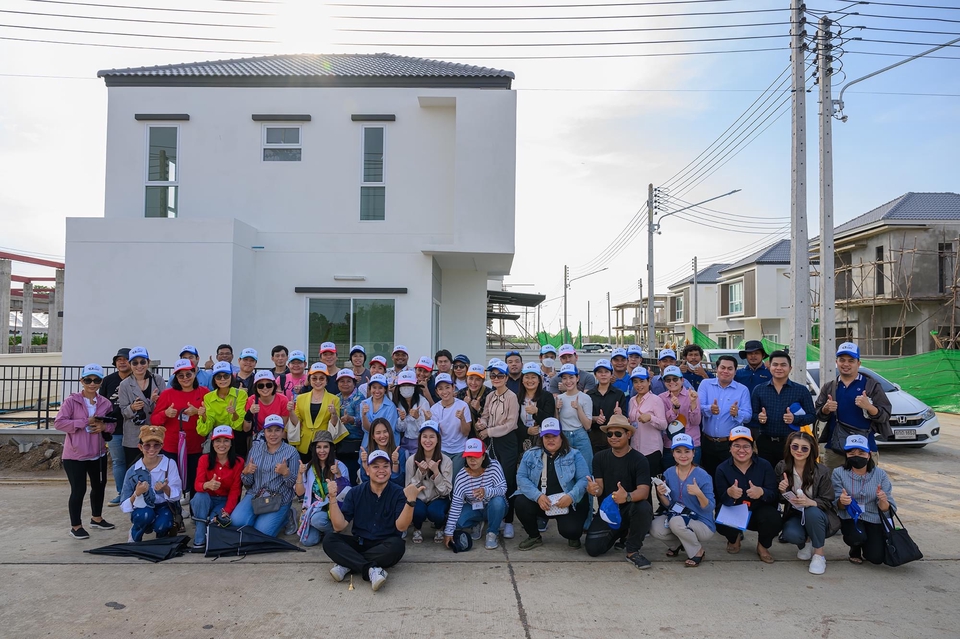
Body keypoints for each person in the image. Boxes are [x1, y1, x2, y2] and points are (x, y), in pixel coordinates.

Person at [323, 450, 424, 591]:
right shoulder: (355, 492)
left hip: (385, 545)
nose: (381, 470)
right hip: (360, 542)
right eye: (376, 466)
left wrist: (411, 501)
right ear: (367, 470)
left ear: (390, 469)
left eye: (385, 466)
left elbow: (401, 527)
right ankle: (371, 569)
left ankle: (348, 563)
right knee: (329, 540)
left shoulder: (399, 493)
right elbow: (339, 526)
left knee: (397, 546)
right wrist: (332, 498)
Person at [583, 415, 654, 569]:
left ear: (628, 434)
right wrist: (593, 489)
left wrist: (627, 497)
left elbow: (644, 492)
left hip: (630, 508)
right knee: (593, 549)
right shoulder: (599, 458)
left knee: (643, 507)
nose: (613, 437)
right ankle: (622, 532)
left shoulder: (640, 460)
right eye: (609, 434)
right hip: (608, 512)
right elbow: (599, 488)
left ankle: (632, 550)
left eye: (618, 433)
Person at [55, 364, 117, 539]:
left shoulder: (105, 403)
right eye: (88, 380)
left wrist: (104, 427)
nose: (92, 383)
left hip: (98, 453)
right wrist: (84, 422)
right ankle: (76, 526)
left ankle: (97, 518)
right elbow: (59, 423)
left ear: (101, 382)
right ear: (81, 380)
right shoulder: (71, 401)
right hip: (75, 455)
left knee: (99, 486)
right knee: (78, 490)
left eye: (96, 380)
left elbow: (112, 424)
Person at [514, 418, 590, 550]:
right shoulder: (530, 454)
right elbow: (521, 477)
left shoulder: (574, 455)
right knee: (520, 502)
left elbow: (584, 479)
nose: (551, 440)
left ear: (561, 436)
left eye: (554, 436)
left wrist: (571, 496)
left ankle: (573, 536)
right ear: (541, 438)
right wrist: (537, 496)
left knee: (571, 531)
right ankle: (534, 536)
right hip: (542, 502)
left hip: (567, 502)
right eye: (547, 437)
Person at [815, 342, 893, 469]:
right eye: (842, 360)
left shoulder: (871, 386)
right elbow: (818, 414)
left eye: (851, 360)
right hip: (835, 451)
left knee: (865, 482)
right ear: (836, 362)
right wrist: (826, 409)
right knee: (832, 482)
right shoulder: (829, 387)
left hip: (865, 450)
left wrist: (869, 407)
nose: (846, 364)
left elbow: (885, 415)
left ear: (859, 363)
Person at [774, 431, 840, 575]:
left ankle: (819, 554)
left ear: (811, 450)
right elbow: (779, 500)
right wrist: (782, 490)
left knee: (811, 511)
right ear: (789, 447)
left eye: (804, 448)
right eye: (795, 446)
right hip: (795, 513)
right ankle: (805, 543)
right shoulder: (782, 467)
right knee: (791, 534)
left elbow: (828, 501)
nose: (799, 451)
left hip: (819, 514)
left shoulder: (822, 471)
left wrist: (810, 502)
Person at [713, 426, 781, 564]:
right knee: (721, 519)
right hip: (735, 510)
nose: (741, 450)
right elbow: (720, 499)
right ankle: (734, 538)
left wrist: (762, 492)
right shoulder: (722, 469)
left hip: (758, 510)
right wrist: (729, 494)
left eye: (746, 446)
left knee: (773, 518)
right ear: (730, 448)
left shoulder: (764, 465)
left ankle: (762, 546)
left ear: (753, 447)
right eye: (736, 446)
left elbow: (774, 494)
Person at [651, 433, 715, 567]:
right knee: (654, 527)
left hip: (701, 522)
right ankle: (678, 544)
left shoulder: (703, 475)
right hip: (677, 516)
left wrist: (699, 494)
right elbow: (668, 504)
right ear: (673, 453)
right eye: (678, 451)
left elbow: (709, 507)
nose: (683, 455)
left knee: (676, 522)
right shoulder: (668, 473)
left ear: (693, 453)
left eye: (687, 451)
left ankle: (697, 551)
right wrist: (661, 494)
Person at [832, 434, 897, 565]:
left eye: (861, 453)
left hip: (873, 517)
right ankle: (855, 549)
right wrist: (842, 501)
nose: (856, 456)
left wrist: (883, 500)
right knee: (856, 537)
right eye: (851, 453)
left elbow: (888, 510)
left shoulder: (880, 474)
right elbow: (836, 504)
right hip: (851, 516)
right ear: (846, 455)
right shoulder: (838, 473)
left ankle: (869, 545)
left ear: (869, 454)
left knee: (876, 558)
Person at [232, 414, 301, 536]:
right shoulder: (255, 449)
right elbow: (248, 482)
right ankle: (263, 517)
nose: (273, 434)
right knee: (237, 522)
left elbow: (294, 485)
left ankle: (287, 515)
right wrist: (246, 472)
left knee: (262, 532)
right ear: (264, 432)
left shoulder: (291, 452)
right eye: (269, 430)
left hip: (279, 497)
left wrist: (286, 473)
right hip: (256, 494)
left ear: (283, 431)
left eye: (277, 430)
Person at [150, 358, 206, 499]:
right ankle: (174, 508)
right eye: (181, 376)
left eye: (188, 374)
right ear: (176, 377)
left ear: (194, 373)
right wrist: (165, 413)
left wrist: (198, 412)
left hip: (196, 446)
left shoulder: (204, 392)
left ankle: (194, 507)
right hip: (172, 447)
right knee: (172, 481)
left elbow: (211, 417)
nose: (185, 378)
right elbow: (154, 420)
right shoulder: (167, 394)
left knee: (195, 480)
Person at [477, 359, 520, 540]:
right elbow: (485, 415)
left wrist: (488, 431)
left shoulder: (512, 397)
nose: (496, 378)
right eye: (493, 375)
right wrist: (482, 423)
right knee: (492, 479)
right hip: (492, 441)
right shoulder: (490, 396)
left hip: (507, 441)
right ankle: (498, 516)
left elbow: (510, 424)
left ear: (506, 377)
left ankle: (509, 520)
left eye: (499, 375)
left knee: (508, 479)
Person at [750, 350, 816, 469]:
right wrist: (759, 417)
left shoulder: (801, 390)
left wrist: (795, 419)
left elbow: (812, 416)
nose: (779, 368)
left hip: (791, 443)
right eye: (775, 364)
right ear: (769, 367)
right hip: (765, 442)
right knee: (767, 474)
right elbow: (752, 415)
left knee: (788, 474)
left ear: (790, 368)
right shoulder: (759, 389)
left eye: (783, 365)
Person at [119, 425, 182, 542]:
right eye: (147, 445)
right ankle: (135, 536)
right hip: (142, 507)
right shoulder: (133, 471)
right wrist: (136, 494)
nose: (151, 449)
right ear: (140, 447)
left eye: (156, 445)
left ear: (161, 446)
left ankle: (162, 539)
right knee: (144, 515)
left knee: (163, 524)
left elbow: (177, 494)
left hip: (164, 505)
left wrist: (166, 488)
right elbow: (123, 504)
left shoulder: (169, 464)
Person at [444, 439, 509, 550]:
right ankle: (477, 522)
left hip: (492, 505)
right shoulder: (461, 476)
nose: (472, 460)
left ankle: (492, 533)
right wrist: (448, 532)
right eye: (469, 456)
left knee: (498, 502)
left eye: (476, 456)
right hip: (474, 507)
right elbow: (456, 504)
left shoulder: (494, 466)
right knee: (459, 522)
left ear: (483, 456)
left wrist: (486, 491)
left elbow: (503, 489)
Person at [190, 425, 244, 550]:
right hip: (206, 499)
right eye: (218, 441)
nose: (222, 444)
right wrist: (206, 485)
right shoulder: (204, 459)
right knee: (200, 496)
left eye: (226, 441)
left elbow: (235, 490)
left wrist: (227, 510)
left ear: (231, 443)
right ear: (212, 443)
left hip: (224, 500)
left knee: (216, 522)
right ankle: (199, 540)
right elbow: (197, 485)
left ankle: (208, 531)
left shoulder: (238, 462)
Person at [697, 355, 753, 476]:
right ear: (716, 368)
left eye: (730, 368)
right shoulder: (705, 384)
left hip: (730, 443)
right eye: (722, 367)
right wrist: (709, 409)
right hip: (707, 441)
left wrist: (737, 413)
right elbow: (697, 408)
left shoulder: (742, 390)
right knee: (709, 476)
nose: (725, 371)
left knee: (730, 477)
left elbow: (748, 416)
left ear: (735, 371)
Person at [295, 430, 350, 547]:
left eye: (325, 447)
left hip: (334, 506)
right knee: (307, 541)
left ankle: (334, 532)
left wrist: (338, 475)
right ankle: (323, 529)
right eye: (318, 447)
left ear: (331, 448)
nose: (322, 451)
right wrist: (300, 474)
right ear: (314, 449)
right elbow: (299, 492)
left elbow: (346, 493)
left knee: (317, 520)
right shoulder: (308, 467)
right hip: (315, 507)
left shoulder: (339, 466)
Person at [405, 421, 453, 544]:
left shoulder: (446, 461)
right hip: (419, 498)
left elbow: (446, 492)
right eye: (424, 436)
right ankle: (417, 528)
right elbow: (408, 490)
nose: (428, 440)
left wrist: (436, 473)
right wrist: (420, 473)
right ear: (419, 439)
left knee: (435, 512)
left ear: (438, 439)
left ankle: (439, 527)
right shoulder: (411, 460)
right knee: (417, 511)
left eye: (432, 436)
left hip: (438, 498)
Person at [117, 346, 165, 469]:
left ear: (148, 362)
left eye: (143, 362)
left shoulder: (158, 380)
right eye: (135, 363)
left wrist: (156, 401)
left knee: (156, 468)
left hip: (155, 433)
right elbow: (123, 412)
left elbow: (165, 406)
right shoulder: (124, 385)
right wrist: (133, 407)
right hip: (134, 436)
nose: (139, 366)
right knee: (134, 469)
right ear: (130, 364)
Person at [291, 363, 345, 462]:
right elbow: (297, 422)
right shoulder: (300, 398)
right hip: (304, 443)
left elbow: (334, 424)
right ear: (309, 380)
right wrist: (290, 411)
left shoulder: (334, 399)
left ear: (326, 381)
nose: (318, 381)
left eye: (321, 378)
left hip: (323, 444)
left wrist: (333, 414)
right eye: (314, 378)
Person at [197, 361, 249, 462]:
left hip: (236, 439)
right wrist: (203, 416)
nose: (222, 379)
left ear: (231, 377)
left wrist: (233, 413)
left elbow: (238, 426)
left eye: (226, 376)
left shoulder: (241, 394)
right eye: (218, 377)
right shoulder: (208, 397)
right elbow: (204, 430)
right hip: (217, 438)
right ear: (214, 379)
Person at [100, 347, 131, 506]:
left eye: (125, 359)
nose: (122, 362)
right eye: (119, 360)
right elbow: (101, 401)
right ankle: (122, 493)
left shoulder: (138, 379)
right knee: (118, 461)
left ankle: (135, 492)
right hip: (114, 428)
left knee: (134, 461)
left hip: (133, 427)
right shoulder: (108, 380)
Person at [555, 363, 594, 479]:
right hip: (564, 437)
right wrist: (557, 409)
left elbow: (588, 426)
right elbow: (557, 424)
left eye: (571, 377)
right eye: (564, 378)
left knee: (586, 473)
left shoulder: (585, 398)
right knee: (566, 474)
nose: (568, 381)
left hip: (580, 435)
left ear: (577, 378)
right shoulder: (559, 398)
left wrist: (578, 408)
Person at [659, 365, 702, 468]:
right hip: (670, 444)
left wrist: (693, 403)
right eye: (668, 380)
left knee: (692, 475)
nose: (671, 382)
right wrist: (675, 408)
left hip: (691, 444)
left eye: (675, 379)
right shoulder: (661, 398)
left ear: (682, 380)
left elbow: (696, 421)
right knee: (670, 475)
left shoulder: (692, 395)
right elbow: (665, 422)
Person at [432, 372, 473, 480]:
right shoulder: (434, 409)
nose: (444, 391)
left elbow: (466, 433)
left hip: (460, 450)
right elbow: (435, 435)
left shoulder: (463, 405)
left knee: (454, 479)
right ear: (437, 392)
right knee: (442, 479)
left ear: (453, 388)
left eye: (447, 387)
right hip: (442, 449)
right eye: (440, 389)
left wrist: (462, 419)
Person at [627, 366, 667, 476]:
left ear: (649, 381)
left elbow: (664, 425)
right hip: (635, 448)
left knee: (650, 481)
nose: (639, 385)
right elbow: (633, 422)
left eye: (642, 381)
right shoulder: (631, 400)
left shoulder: (656, 400)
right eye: (635, 382)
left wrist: (650, 418)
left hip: (651, 449)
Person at [587, 358, 629, 455]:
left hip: (614, 438)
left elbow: (625, 417)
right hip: (594, 438)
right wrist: (595, 418)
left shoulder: (619, 394)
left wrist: (620, 414)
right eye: (600, 372)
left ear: (611, 374)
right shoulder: (589, 395)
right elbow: (585, 417)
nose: (603, 374)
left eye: (606, 372)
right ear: (595, 375)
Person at [517, 362, 556, 452]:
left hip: (542, 439)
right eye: (527, 377)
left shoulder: (547, 396)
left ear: (539, 379)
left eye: (533, 377)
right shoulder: (516, 397)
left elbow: (550, 419)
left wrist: (537, 411)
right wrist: (526, 430)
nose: (530, 380)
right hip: (521, 440)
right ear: (522, 380)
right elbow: (514, 421)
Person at [335, 368, 365, 484]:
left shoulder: (359, 398)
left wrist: (351, 419)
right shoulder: (336, 398)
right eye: (342, 381)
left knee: (352, 475)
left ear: (354, 382)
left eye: (349, 381)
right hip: (339, 444)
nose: (345, 384)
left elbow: (363, 419)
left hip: (354, 444)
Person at [243, 370, 291, 442]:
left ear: (274, 386)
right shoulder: (251, 400)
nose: (265, 388)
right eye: (260, 386)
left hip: (277, 437)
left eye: (269, 385)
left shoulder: (283, 400)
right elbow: (246, 429)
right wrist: (250, 412)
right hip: (259, 438)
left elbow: (284, 427)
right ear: (256, 387)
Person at [359, 417, 406, 486]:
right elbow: (365, 481)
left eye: (385, 432)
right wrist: (364, 463)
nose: (382, 436)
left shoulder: (399, 453)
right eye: (378, 433)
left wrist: (395, 463)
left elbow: (399, 483)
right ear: (373, 436)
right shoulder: (366, 453)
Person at [358, 373, 399, 449]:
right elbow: (366, 429)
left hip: (386, 446)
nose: (377, 391)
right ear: (370, 388)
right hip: (368, 445)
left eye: (380, 388)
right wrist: (364, 416)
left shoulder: (391, 406)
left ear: (385, 389)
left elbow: (389, 430)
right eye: (374, 387)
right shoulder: (363, 404)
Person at [394, 369, 430, 455]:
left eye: (409, 385)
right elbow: (400, 429)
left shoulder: (423, 402)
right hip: (404, 442)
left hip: (420, 442)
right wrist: (402, 419)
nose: (406, 388)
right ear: (399, 388)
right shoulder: (398, 402)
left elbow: (426, 427)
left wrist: (417, 418)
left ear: (415, 386)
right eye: (403, 385)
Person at [458, 363, 492, 429]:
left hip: (484, 432)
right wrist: (464, 405)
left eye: (478, 379)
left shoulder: (490, 394)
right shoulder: (461, 393)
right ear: (466, 378)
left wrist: (479, 409)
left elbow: (493, 418)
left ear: (483, 381)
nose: (473, 382)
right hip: (465, 431)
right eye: (471, 378)